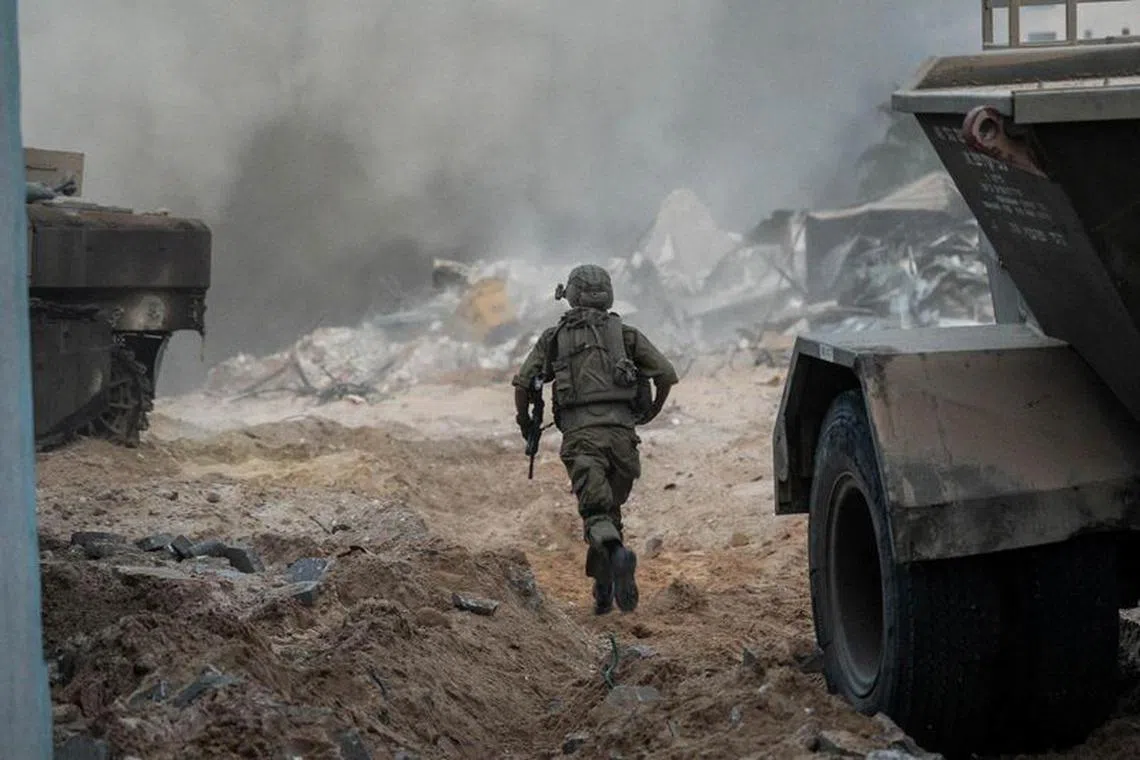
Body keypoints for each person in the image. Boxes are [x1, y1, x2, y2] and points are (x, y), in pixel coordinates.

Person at [512, 264, 678, 615]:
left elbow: (524, 384)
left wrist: (526, 422)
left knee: (596, 512)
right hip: (623, 440)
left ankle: (618, 556)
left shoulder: (554, 338)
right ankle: (603, 592)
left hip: (582, 438)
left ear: (570, 295)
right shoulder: (626, 334)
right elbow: (665, 373)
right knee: (608, 512)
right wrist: (651, 413)